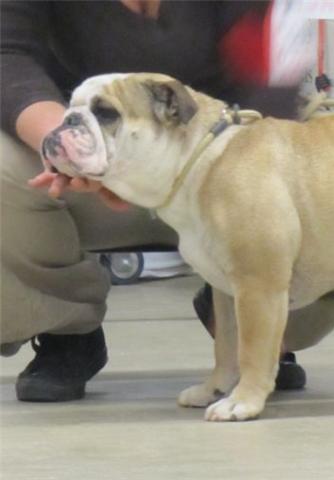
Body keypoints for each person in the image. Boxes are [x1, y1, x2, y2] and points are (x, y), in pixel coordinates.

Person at [1, 0, 315, 402]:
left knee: (333, 183)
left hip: (225, 172)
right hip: (97, 177)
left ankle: (244, 303)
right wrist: (69, 147)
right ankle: (67, 330)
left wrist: (249, 203)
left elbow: (273, 81)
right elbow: (7, 55)